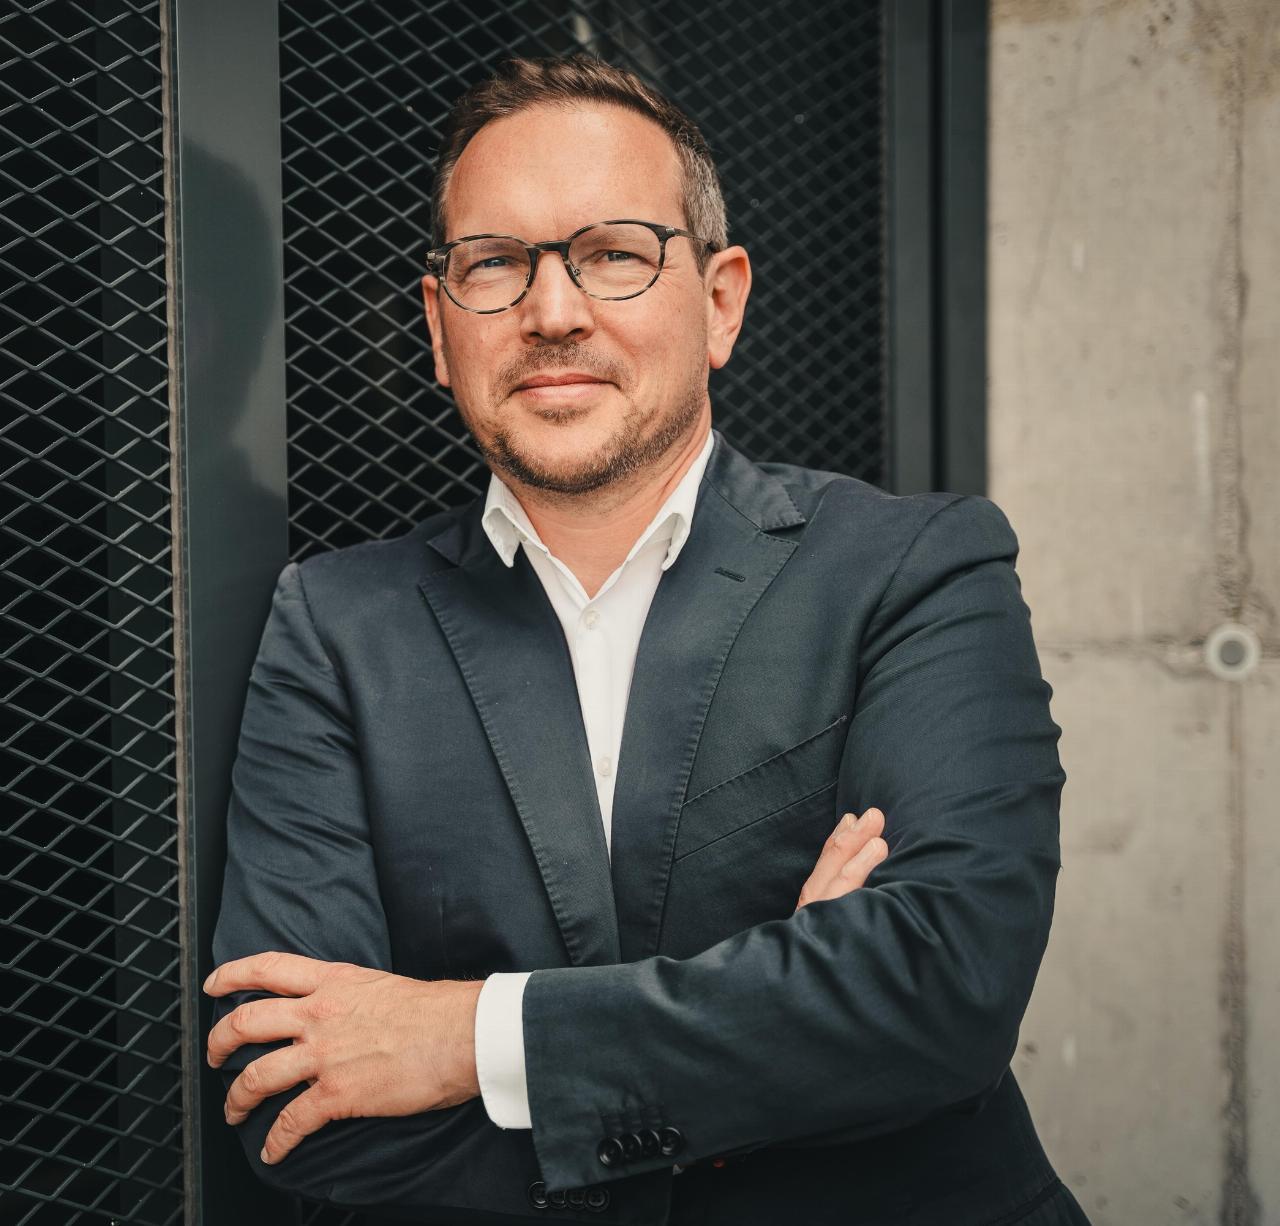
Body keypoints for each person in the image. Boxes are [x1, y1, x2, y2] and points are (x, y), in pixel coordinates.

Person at [206, 55, 1089, 1226]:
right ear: (438, 324)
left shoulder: (911, 568)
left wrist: (464, 1035)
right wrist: (787, 1041)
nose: (551, 311)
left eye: (613, 253)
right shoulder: (335, 627)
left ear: (719, 300)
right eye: (494, 263)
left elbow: (937, 993)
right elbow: (293, 1092)